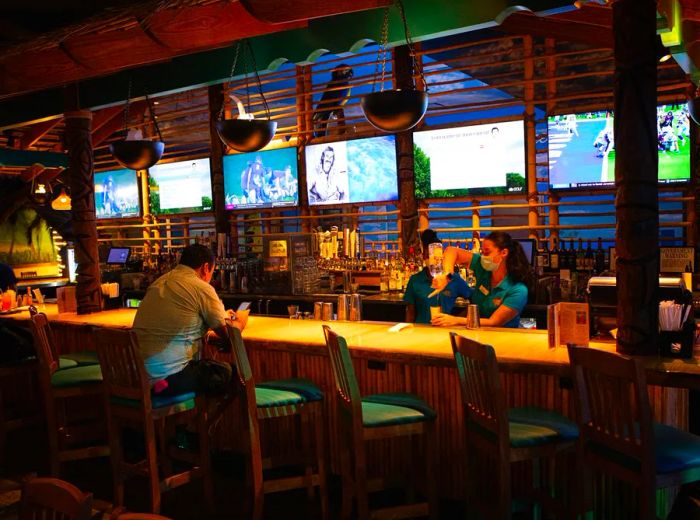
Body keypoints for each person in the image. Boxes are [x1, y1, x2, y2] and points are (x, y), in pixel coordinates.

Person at [133, 244, 247, 400]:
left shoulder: (159, 282)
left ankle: (187, 423)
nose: (209, 278)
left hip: (136, 378)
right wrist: (240, 321)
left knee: (206, 371)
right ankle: (205, 424)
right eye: (212, 273)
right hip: (166, 379)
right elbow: (229, 335)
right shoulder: (200, 287)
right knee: (233, 374)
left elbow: (182, 317)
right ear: (206, 267)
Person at [431, 231, 532, 328]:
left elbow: (493, 322)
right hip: (476, 332)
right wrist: (446, 275)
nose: (483, 257)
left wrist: (456, 320)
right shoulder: (484, 268)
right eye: (482, 252)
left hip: (504, 337)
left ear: (504, 253)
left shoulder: (518, 289)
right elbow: (452, 251)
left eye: (487, 252)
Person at [404, 229, 471, 324]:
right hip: (421, 331)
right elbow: (410, 312)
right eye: (428, 255)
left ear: (442, 256)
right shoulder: (415, 280)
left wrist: (457, 320)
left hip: (445, 331)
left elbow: (475, 300)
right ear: (423, 256)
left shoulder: (452, 278)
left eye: (435, 257)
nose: (432, 260)